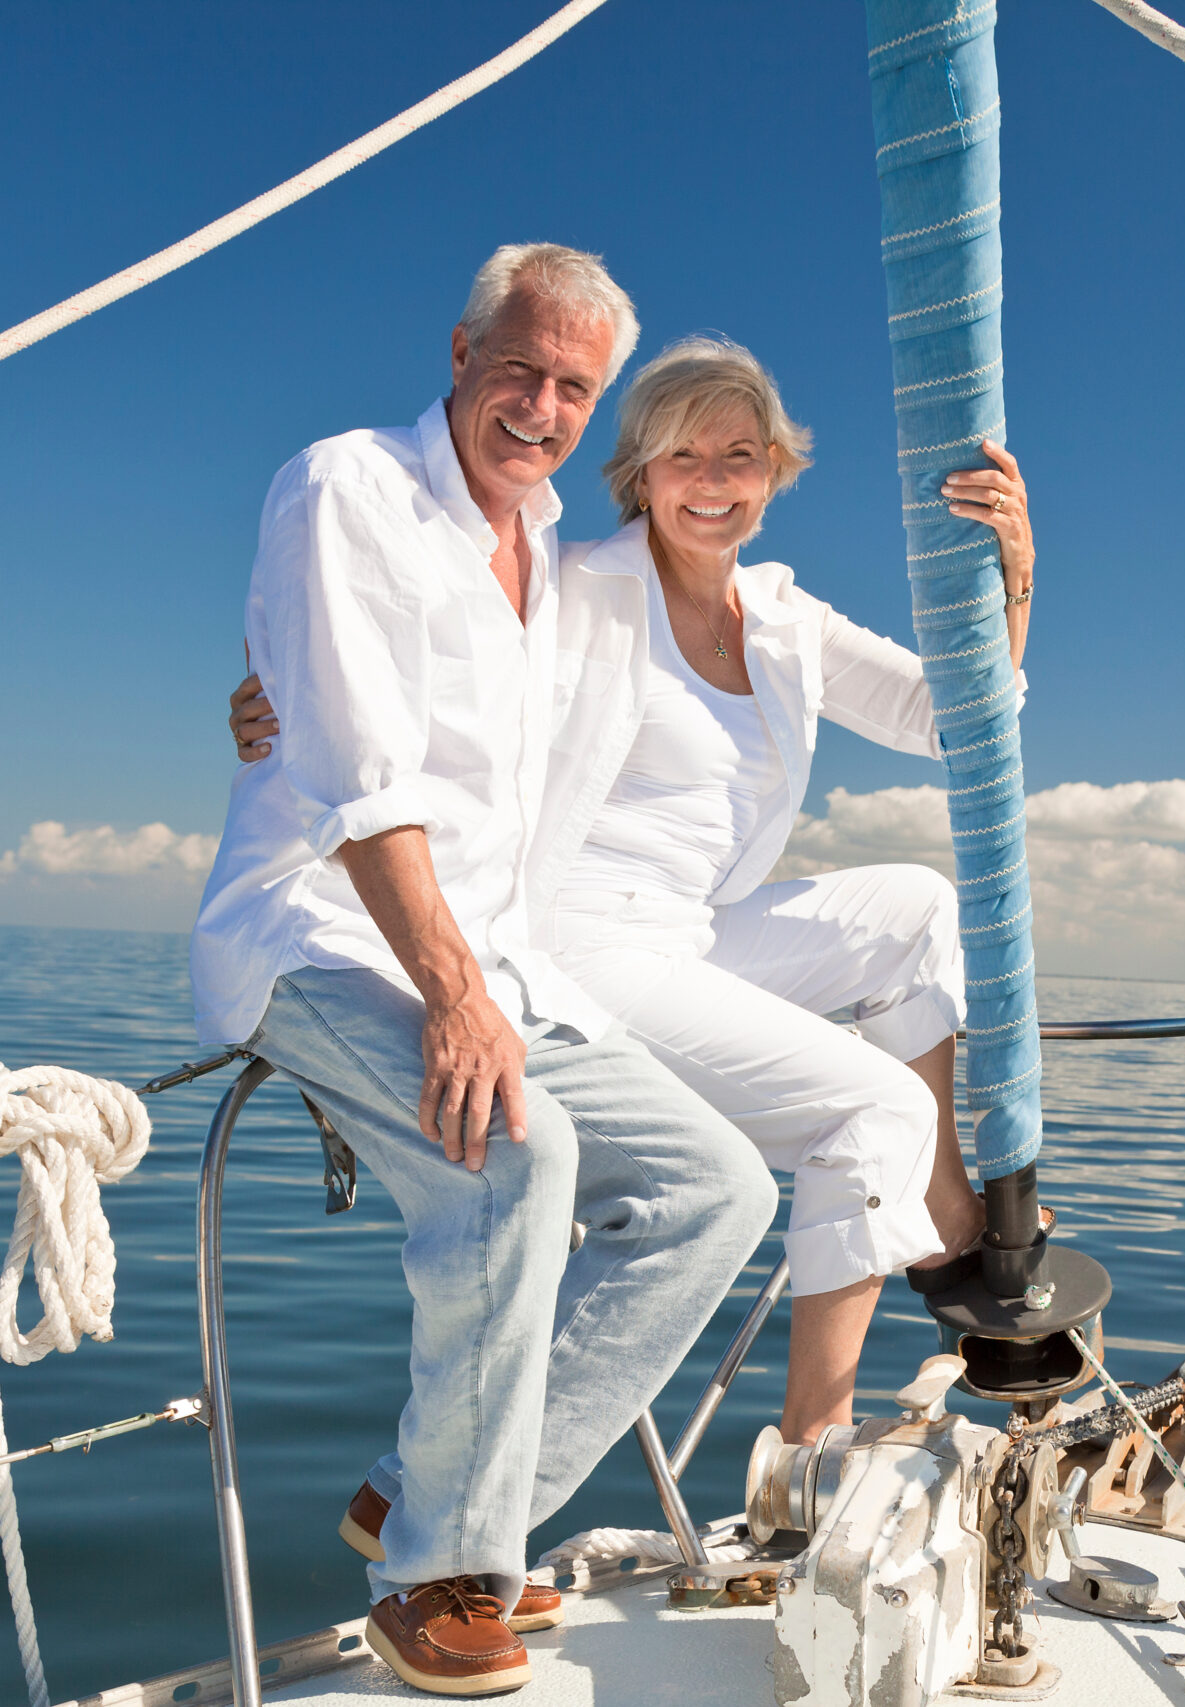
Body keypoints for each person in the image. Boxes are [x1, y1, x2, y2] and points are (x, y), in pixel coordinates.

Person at [230, 335, 1037, 1448]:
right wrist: (273, 692)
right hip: (578, 944)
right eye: (683, 457)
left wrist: (1015, 578)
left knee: (915, 906)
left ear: (775, 473)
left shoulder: (785, 616)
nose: (712, 483)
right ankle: (811, 1449)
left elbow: (952, 720)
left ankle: (940, 1197)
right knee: (873, 1109)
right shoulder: (577, 586)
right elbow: (396, 646)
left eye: (740, 457)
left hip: (687, 934)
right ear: (641, 475)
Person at [191, 245, 776, 1698]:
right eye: (520, 366)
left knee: (723, 1189)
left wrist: (1004, 592)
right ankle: (435, 1576)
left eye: (575, 385)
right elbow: (356, 770)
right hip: (316, 932)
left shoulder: (567, 561)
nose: (542, 403)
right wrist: (452, 992)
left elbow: (718, 560)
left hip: (499, 962)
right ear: (459, 353)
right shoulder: (349, 488)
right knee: (522, 1155)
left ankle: (424, 1485)